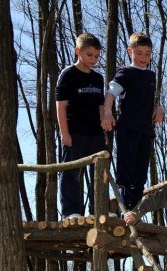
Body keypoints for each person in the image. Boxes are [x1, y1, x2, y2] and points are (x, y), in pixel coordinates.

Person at [101, 32, 165, 210]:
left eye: (147, 53)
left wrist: (157, 107)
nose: (143, 57)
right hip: (128, 128)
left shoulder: (151, 75)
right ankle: (123, 209)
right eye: (139, 53)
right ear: (130, 51)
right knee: (126, 172)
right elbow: (111, 93)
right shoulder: (126, 72)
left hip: (146, 130)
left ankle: (134, 211)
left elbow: (149, 98)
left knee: (140, 174)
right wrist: (107, 113)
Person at [55, 33, 106, 219]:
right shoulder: (68, 74)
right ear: (78, 51)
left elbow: (101, 107)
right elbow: (61, 106)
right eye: (89, 55)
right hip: (74, 133)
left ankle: (98, 210)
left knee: (100, 174)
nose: (93, 59)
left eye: (97, 56)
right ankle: (71, 212)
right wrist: (64, 133)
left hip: (95, 134)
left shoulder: (98, 78)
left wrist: (104, 130)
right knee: (70, 172)